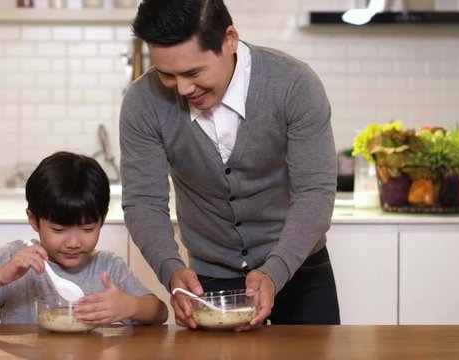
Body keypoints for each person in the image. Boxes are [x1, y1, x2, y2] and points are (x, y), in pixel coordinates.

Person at [120, 0, 339, 330]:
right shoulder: (142, 102)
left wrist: (274, 271)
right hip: (209, 283)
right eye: (167, 74)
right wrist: (171, 271)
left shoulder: (294, 84)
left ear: (230, 40)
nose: (182, 89)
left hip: (298, 269)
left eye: (193, 72)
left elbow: (315, 192)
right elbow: (143, 202)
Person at [0, 151, 168, 325]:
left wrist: (129, 306)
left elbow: (160, 313)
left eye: (87, 229)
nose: (74, 242)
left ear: (102, 220)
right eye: (59, 230)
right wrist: (0, 276)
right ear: (34, 221)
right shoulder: (16, 260)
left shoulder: (108, 267)